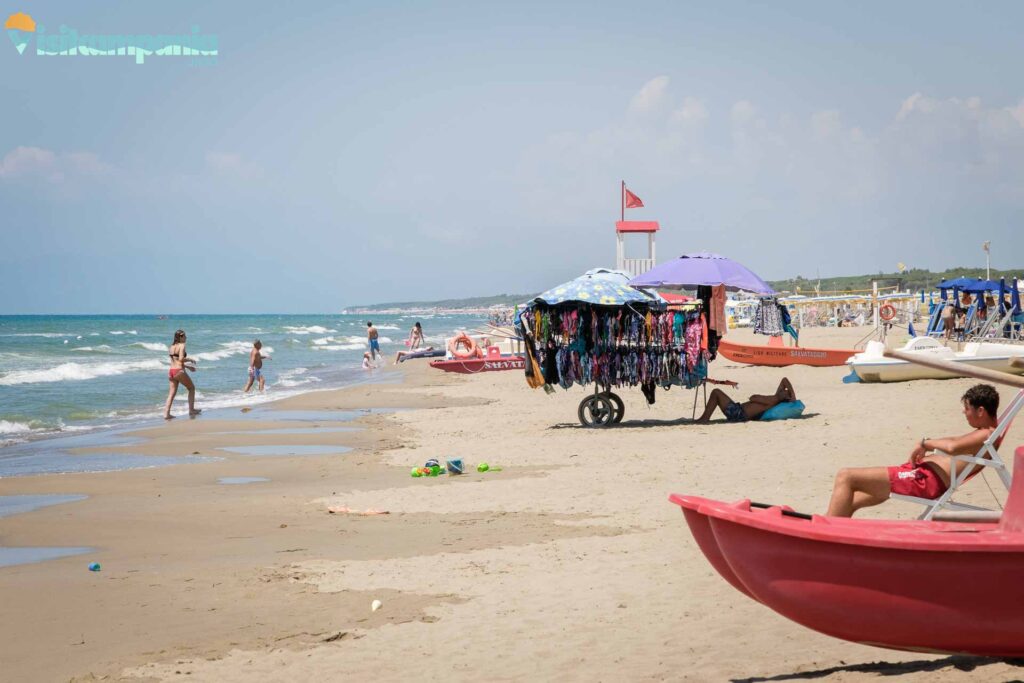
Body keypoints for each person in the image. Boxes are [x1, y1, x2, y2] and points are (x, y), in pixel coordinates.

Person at [825, 384, 999, 517]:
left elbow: (952, 447)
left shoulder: (986, 433)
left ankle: (824, 535)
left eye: (967, 408)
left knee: (846, 476)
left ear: (981, 411)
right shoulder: (985, 432)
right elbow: (955, 441)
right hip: (922, 475)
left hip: (925, 481)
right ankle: (834, 536)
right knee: (853, 498)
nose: (964, 412)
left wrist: (925, 444)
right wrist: (925, 444)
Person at [694, 378, 796, 424]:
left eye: (785, 392)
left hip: (738, 413)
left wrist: (791, 396)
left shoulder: (773, 400)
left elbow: (753, 398)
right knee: (716, 393)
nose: (783, 390)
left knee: (716, 392)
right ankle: (704, 418)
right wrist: (792, 395)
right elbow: (784, 380)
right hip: (739, 412)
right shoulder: (775, 399)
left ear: (784, 397)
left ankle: (704, 418)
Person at [163, 329, 200, 419]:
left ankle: (166, 414)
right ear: (181, 337)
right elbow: (180, 359)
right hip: (179, 371)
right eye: (185, 336)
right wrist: (190, 359)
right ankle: (191, 410)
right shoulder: (182, 345)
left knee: (171, 394)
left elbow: (175, 361)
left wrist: (188, 367)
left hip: (171, 371)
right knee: (191, 388)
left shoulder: (171, 346)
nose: (186, 338)